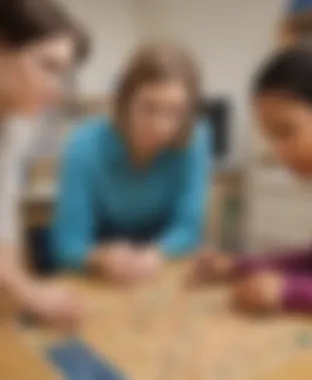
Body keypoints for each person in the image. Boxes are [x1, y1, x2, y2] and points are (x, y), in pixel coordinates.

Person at [191, 46, 312, 322]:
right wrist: (239, 266)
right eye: (271, 138)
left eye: (285, 131)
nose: (278, 153)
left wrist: (290, 293)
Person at [52, 43, 211, 285]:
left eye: (175, 112)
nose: (161, 126)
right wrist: (100, 258)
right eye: (149, 108)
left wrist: (156, 254)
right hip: (100, 278)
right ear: (125, 102)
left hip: (164, 272)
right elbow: (67, 244)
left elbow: (189, 227)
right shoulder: (84, 145)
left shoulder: (195, 139)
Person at [0, 0, 89, 328]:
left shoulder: (15, 124)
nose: (56, 92)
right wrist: (30, 292)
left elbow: (2, 227)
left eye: (62, 74)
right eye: (47, 67)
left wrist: (23, 289)